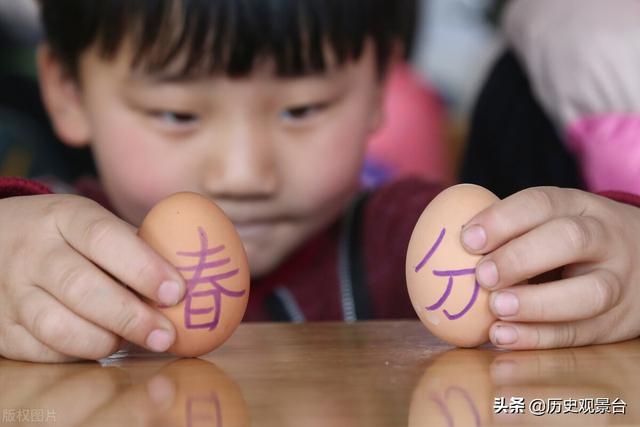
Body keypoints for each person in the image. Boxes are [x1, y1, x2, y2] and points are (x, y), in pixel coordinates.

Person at [1, 0, 639, 363]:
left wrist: (608, 264)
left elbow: (560, 309)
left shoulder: (411, 240)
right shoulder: (45, 253)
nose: (245, 174)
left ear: (379, 88)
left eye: (301, 109)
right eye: (178, 114)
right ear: (67, 91)